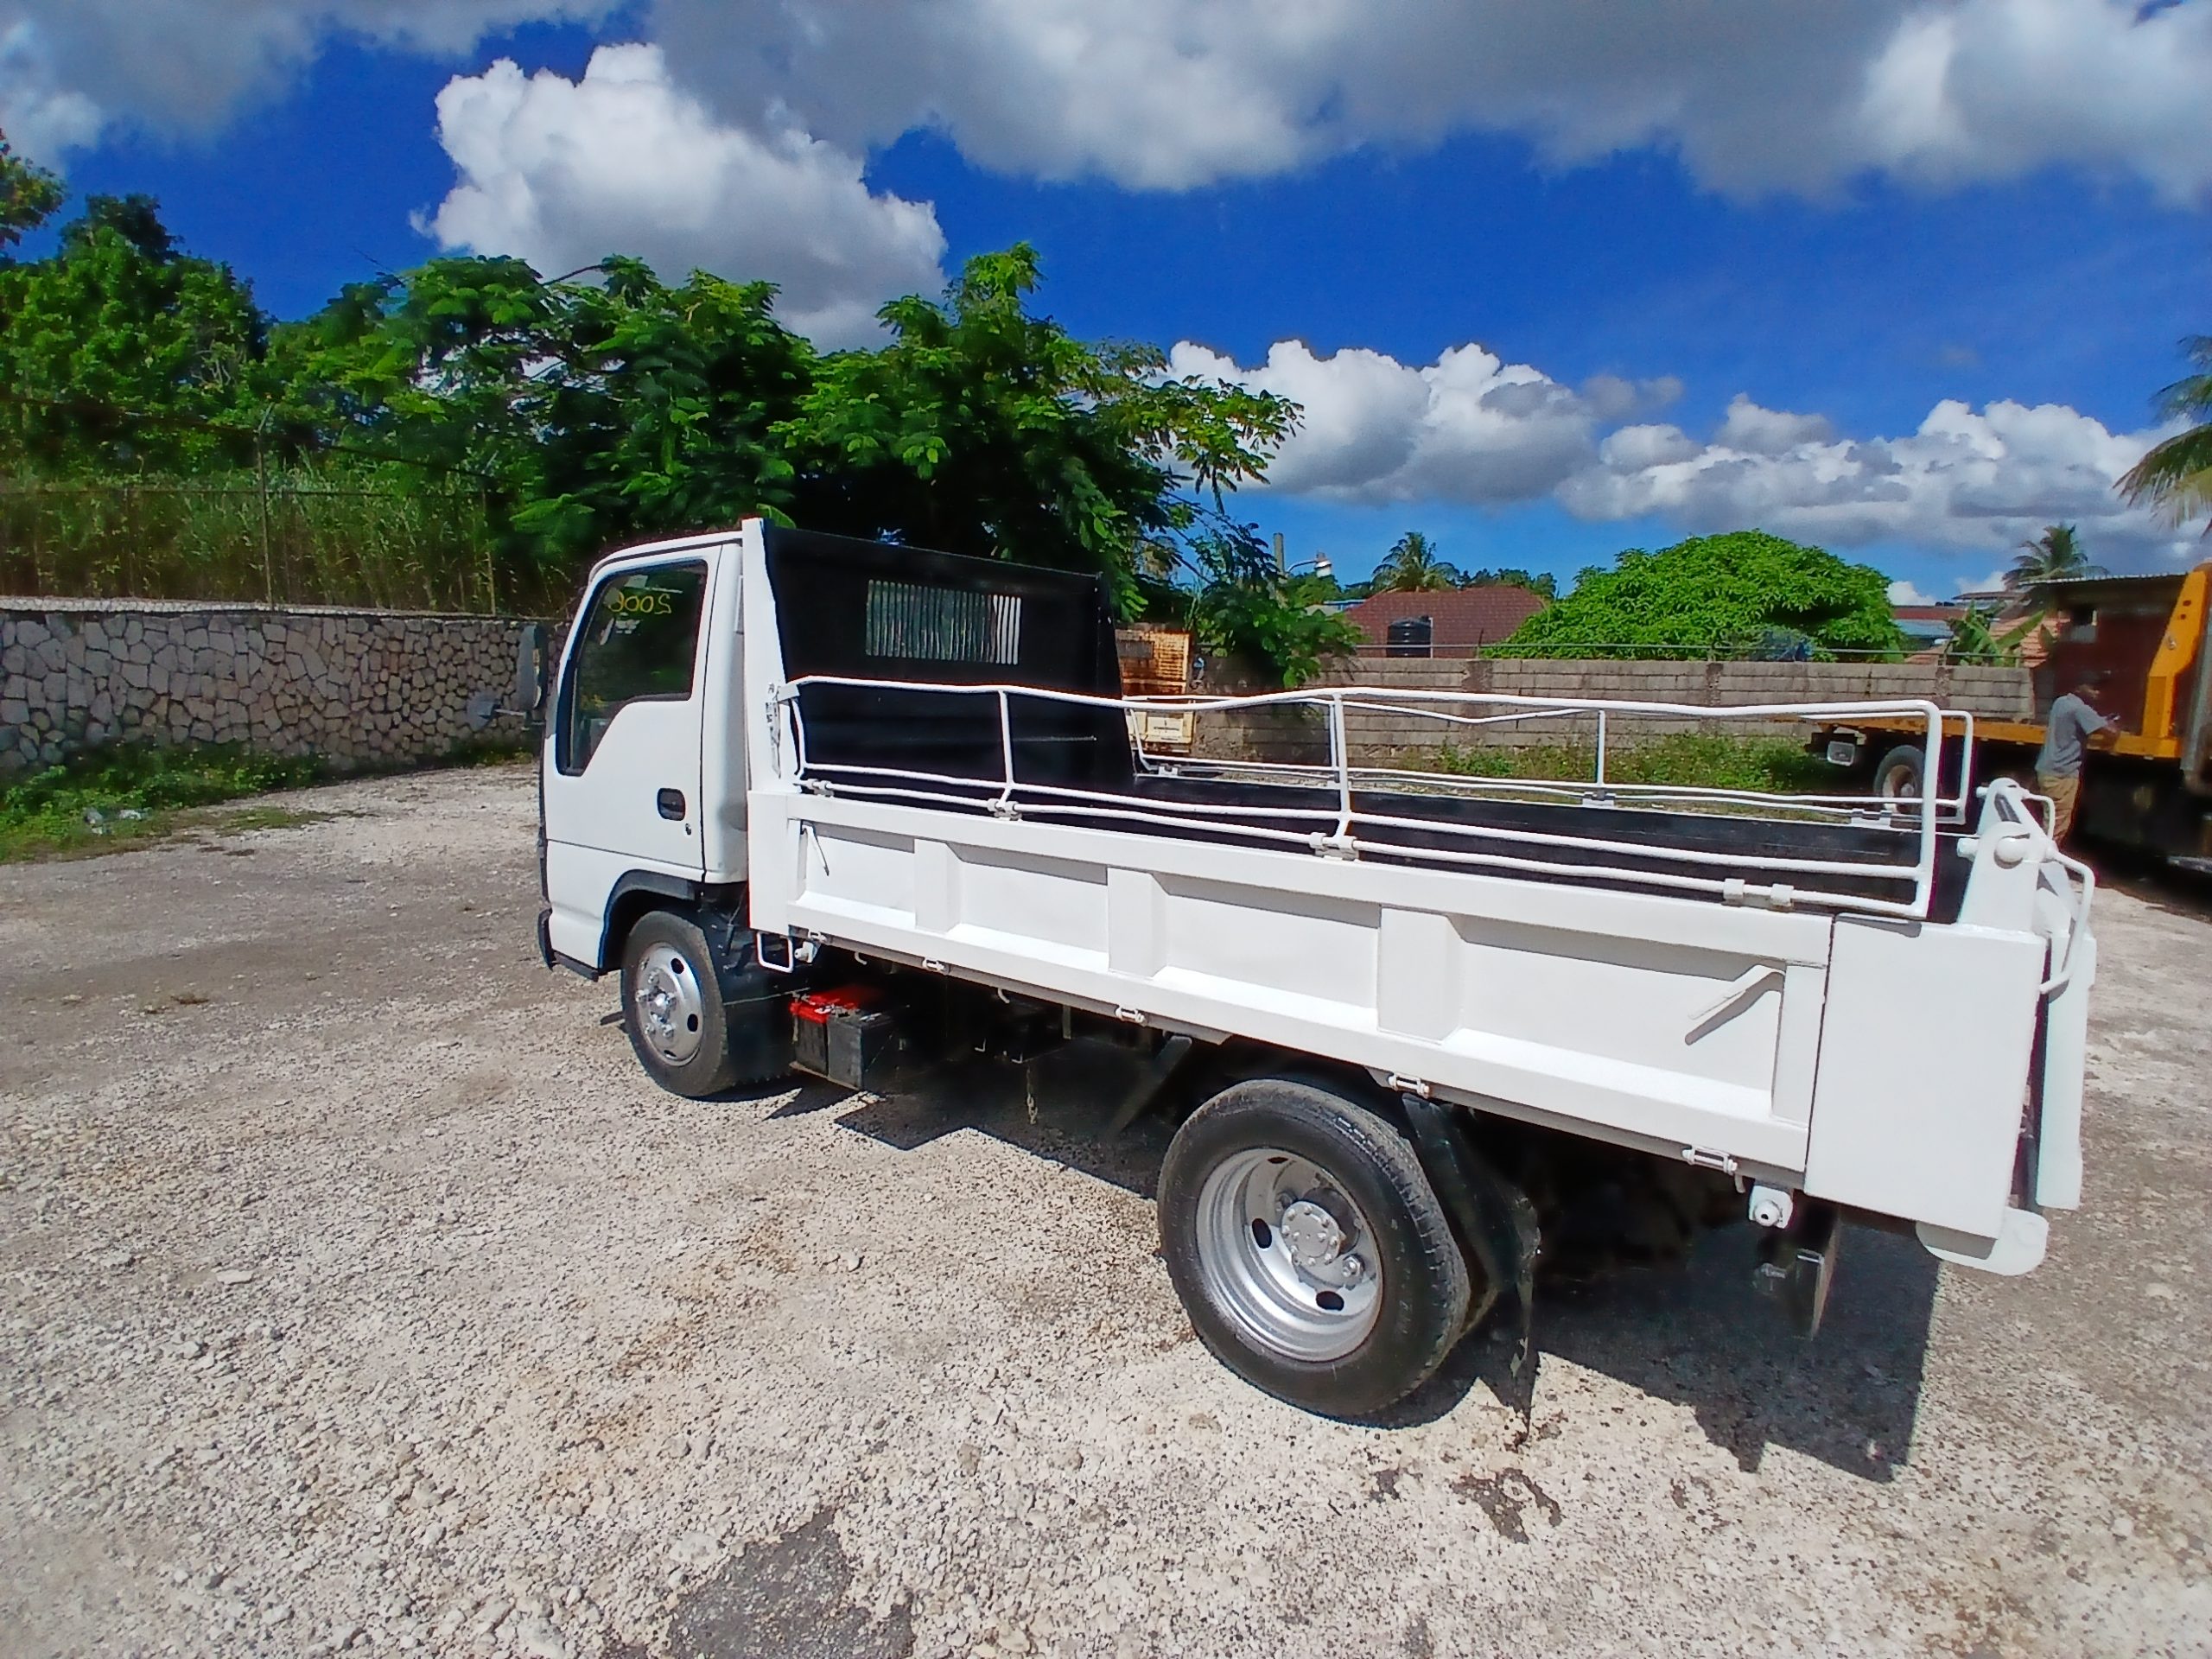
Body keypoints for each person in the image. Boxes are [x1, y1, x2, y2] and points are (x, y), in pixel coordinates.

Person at [2035, 675, 2114, 840]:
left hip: (2047, 770)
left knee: (2050, 818)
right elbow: (2111, 733)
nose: (2097, 693)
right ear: (2079, 687)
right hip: (2062, 775)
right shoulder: (2080, 709)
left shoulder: (2061, 702)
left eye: (2100, 688)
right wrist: (2112, 724)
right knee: (2057, 825)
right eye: (2093, 687)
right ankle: (2043, 861)